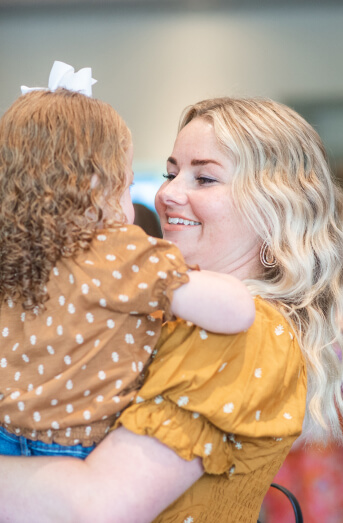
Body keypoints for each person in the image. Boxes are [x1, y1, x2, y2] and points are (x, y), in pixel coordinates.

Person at [0, 96, 343, 523]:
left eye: (205, 179)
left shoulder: (245, 332)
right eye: (171, 173)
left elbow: (94, 506)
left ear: (275, 210)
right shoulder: (172, 311)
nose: (167, 194)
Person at [0, 65, 256, 459]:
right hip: (77, 447)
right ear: (95, 186)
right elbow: (236, 311)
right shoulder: (116, 252)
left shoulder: (15, 252)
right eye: (129, 183)